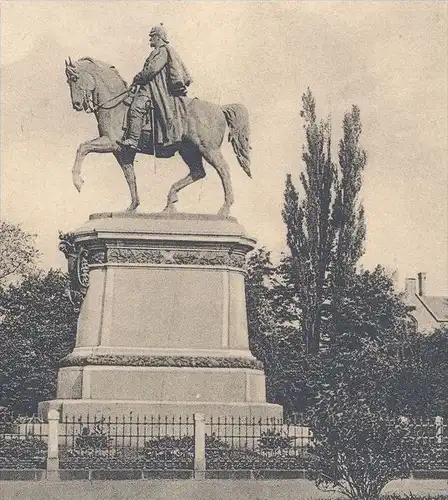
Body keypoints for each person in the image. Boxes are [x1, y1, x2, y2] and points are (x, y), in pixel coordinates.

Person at [118, 24, 192, 150]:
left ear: (158, 37)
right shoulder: (158, 51)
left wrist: (139, 77)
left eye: (152, 36)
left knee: (137, 107)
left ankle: (133, 140)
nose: (150, 39)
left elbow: (152, 70)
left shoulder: (162, 50)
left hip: (155, 88)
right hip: (149, 85)